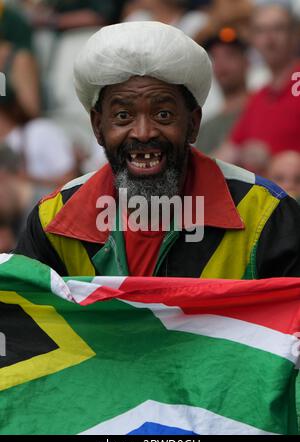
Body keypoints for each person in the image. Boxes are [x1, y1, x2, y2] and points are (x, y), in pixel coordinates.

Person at [14, 21, 300, 279]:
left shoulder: (265, 214)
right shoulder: (53, 221)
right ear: (98, 126)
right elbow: (24, 327)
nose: (143, 133)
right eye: (123, 116)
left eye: (163, 115)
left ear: (193, 124)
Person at [218, 4, 300, 166]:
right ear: (253, 40)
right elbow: (229, 152)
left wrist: (272, 158)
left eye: (278, 29)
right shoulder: (258, 97)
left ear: (295, 35)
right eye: (261, 31)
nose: (269, 39)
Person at [196, 27, 249, 155]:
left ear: (246, 62)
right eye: (215, 57)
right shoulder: (207, 127)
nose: (221, 64)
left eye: (230, 55)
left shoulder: (261, 110)